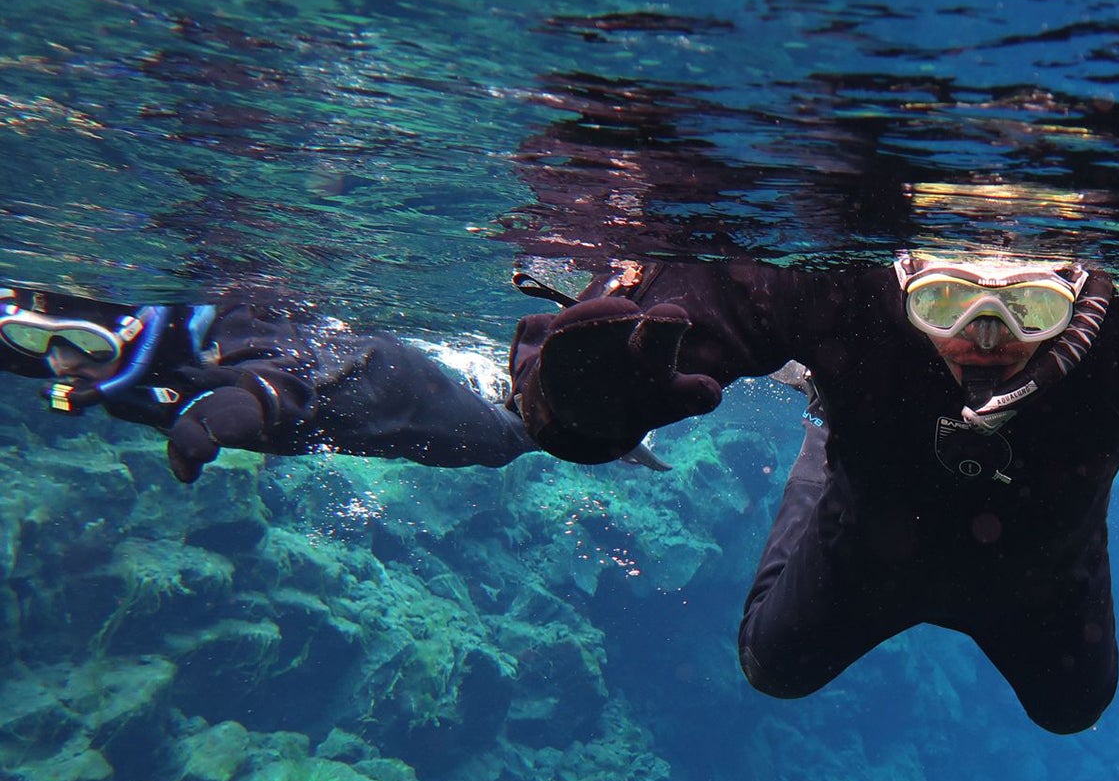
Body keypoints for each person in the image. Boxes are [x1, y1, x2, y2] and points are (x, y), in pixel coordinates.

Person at [507, 253, 1119, 733]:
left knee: (1078, 704)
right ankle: (824, 444)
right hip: (866, 545)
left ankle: (840, 447)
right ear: (900, 272)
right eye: (944, 299)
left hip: (1041, 574)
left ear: (1081, 283)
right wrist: (592, 397)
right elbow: (707, 305)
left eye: (1027, 301)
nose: (985, 335)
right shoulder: (837, 285)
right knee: (770, 664)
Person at [0, 283, 665, 480]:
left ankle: (608, 415)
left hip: (365, 387)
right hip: (353, 408)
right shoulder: (117, 366)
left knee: (507, 437)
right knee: (497, 430)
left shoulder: (198, 317)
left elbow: (283, 370)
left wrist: (247, 403)